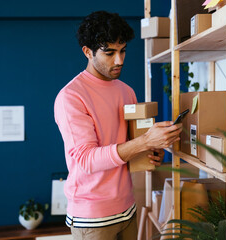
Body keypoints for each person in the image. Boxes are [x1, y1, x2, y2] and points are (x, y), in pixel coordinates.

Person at [54, 10, 182, 240]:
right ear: (87, 52)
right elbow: (86, 159)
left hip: (127, 207)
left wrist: (150, 151)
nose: (119, 60)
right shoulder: (71, 96)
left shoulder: (126, 91)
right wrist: (145, 141)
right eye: (109, 53)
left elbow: (129, 146)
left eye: (122, 51)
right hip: (93, 217)